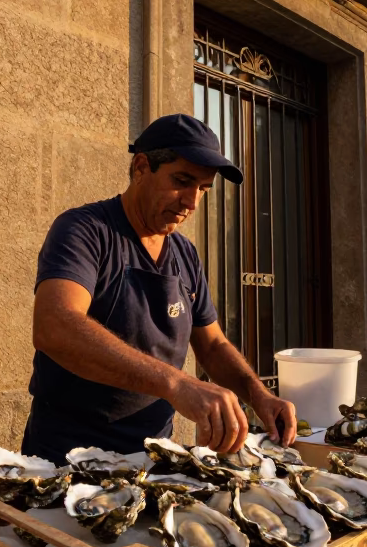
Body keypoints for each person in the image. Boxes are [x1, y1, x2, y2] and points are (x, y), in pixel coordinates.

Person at [22, 114, 298, 465]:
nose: (192, 202)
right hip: (67, 455)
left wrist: (259, 395)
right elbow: (55, 325)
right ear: (140, 167)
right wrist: (176, 383)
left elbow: (212, 346)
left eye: (203, 189)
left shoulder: (185, 254)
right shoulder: (85, 230)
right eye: (182, 181)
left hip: (154, 457)